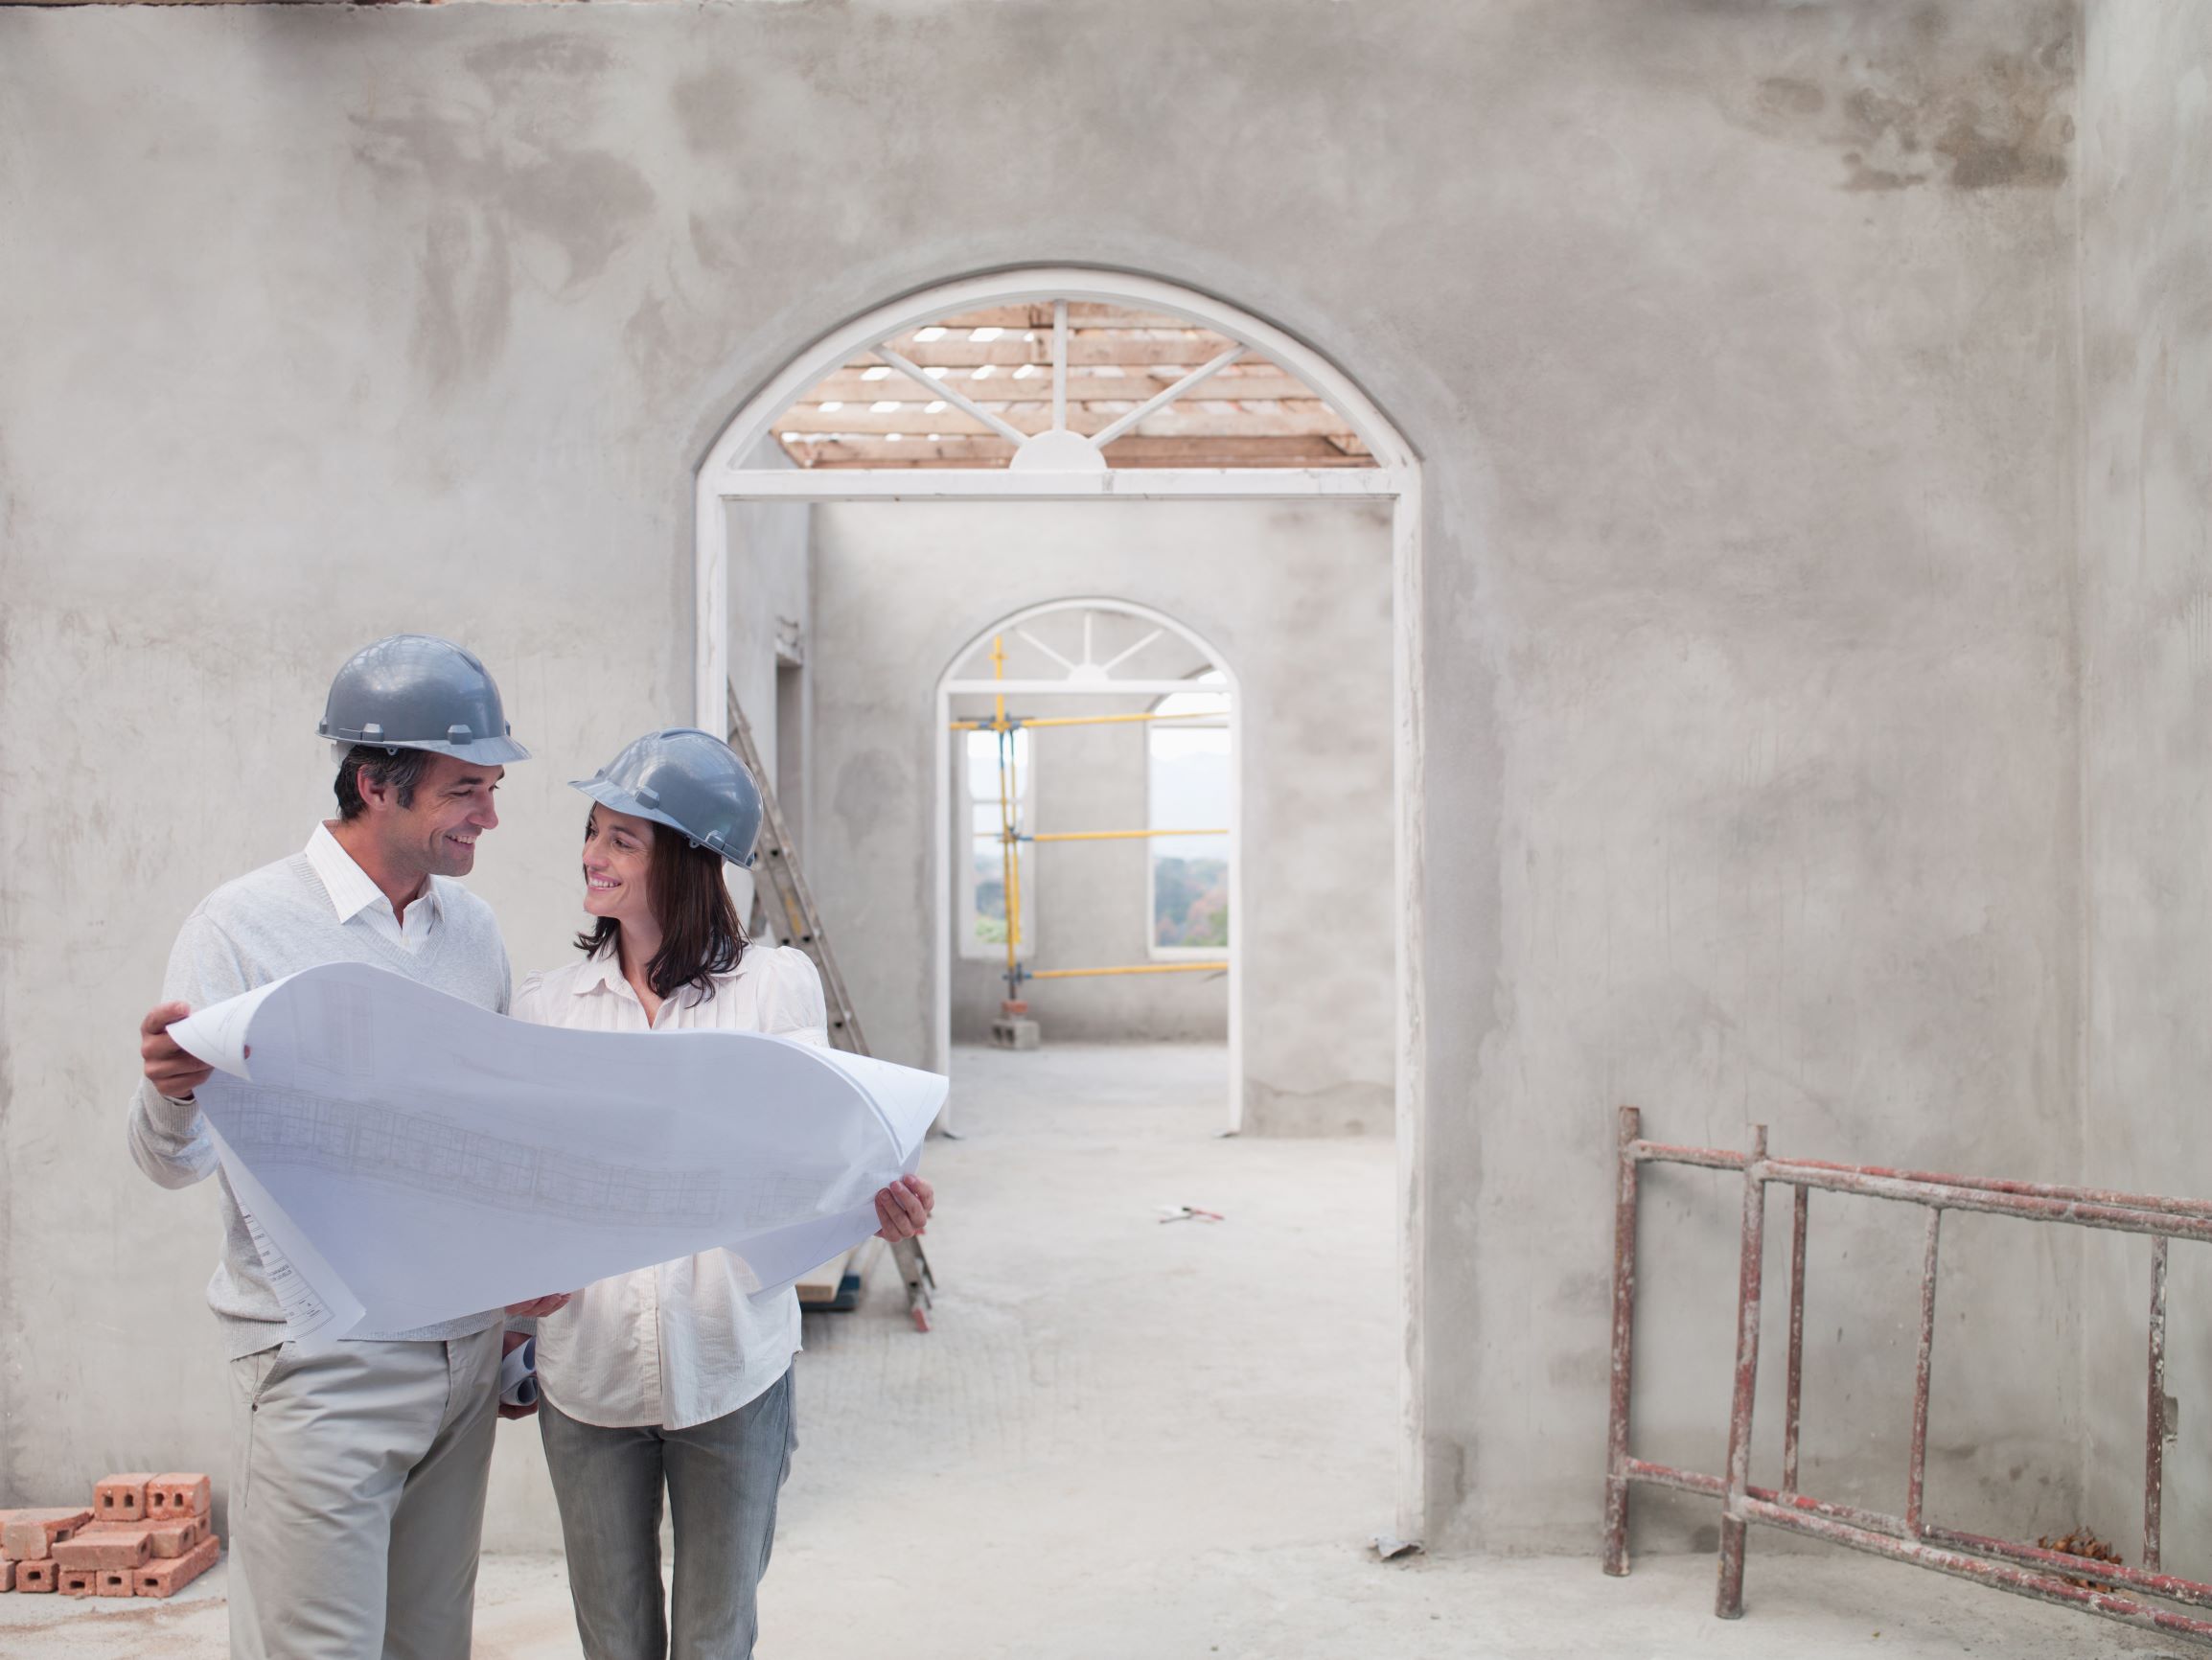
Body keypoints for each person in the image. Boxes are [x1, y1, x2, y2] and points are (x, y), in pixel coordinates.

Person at [129, 634, 570, 1660]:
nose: (490, 817)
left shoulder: (473, 931)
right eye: (467, 789)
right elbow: (171, 1160)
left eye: (493, 788)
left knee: (429, 1647)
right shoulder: (241, 926)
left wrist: (510, 1331)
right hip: (327, 1361)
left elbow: (481, 1140)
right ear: (376, 782)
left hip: (461, 1357)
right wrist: (169, 1096)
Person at [514, 726, 933, 1660]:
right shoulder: (547, 1007)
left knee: (715, 1637)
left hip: (732, 1364)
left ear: (691, 862)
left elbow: (820, 1159)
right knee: (613, 1639)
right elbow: (529, 1190)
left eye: (623, 838)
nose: (592, 854)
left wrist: (879, 1195)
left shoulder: (772, 989)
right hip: (587, 1376)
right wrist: (508, 1308)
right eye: (593, 831)